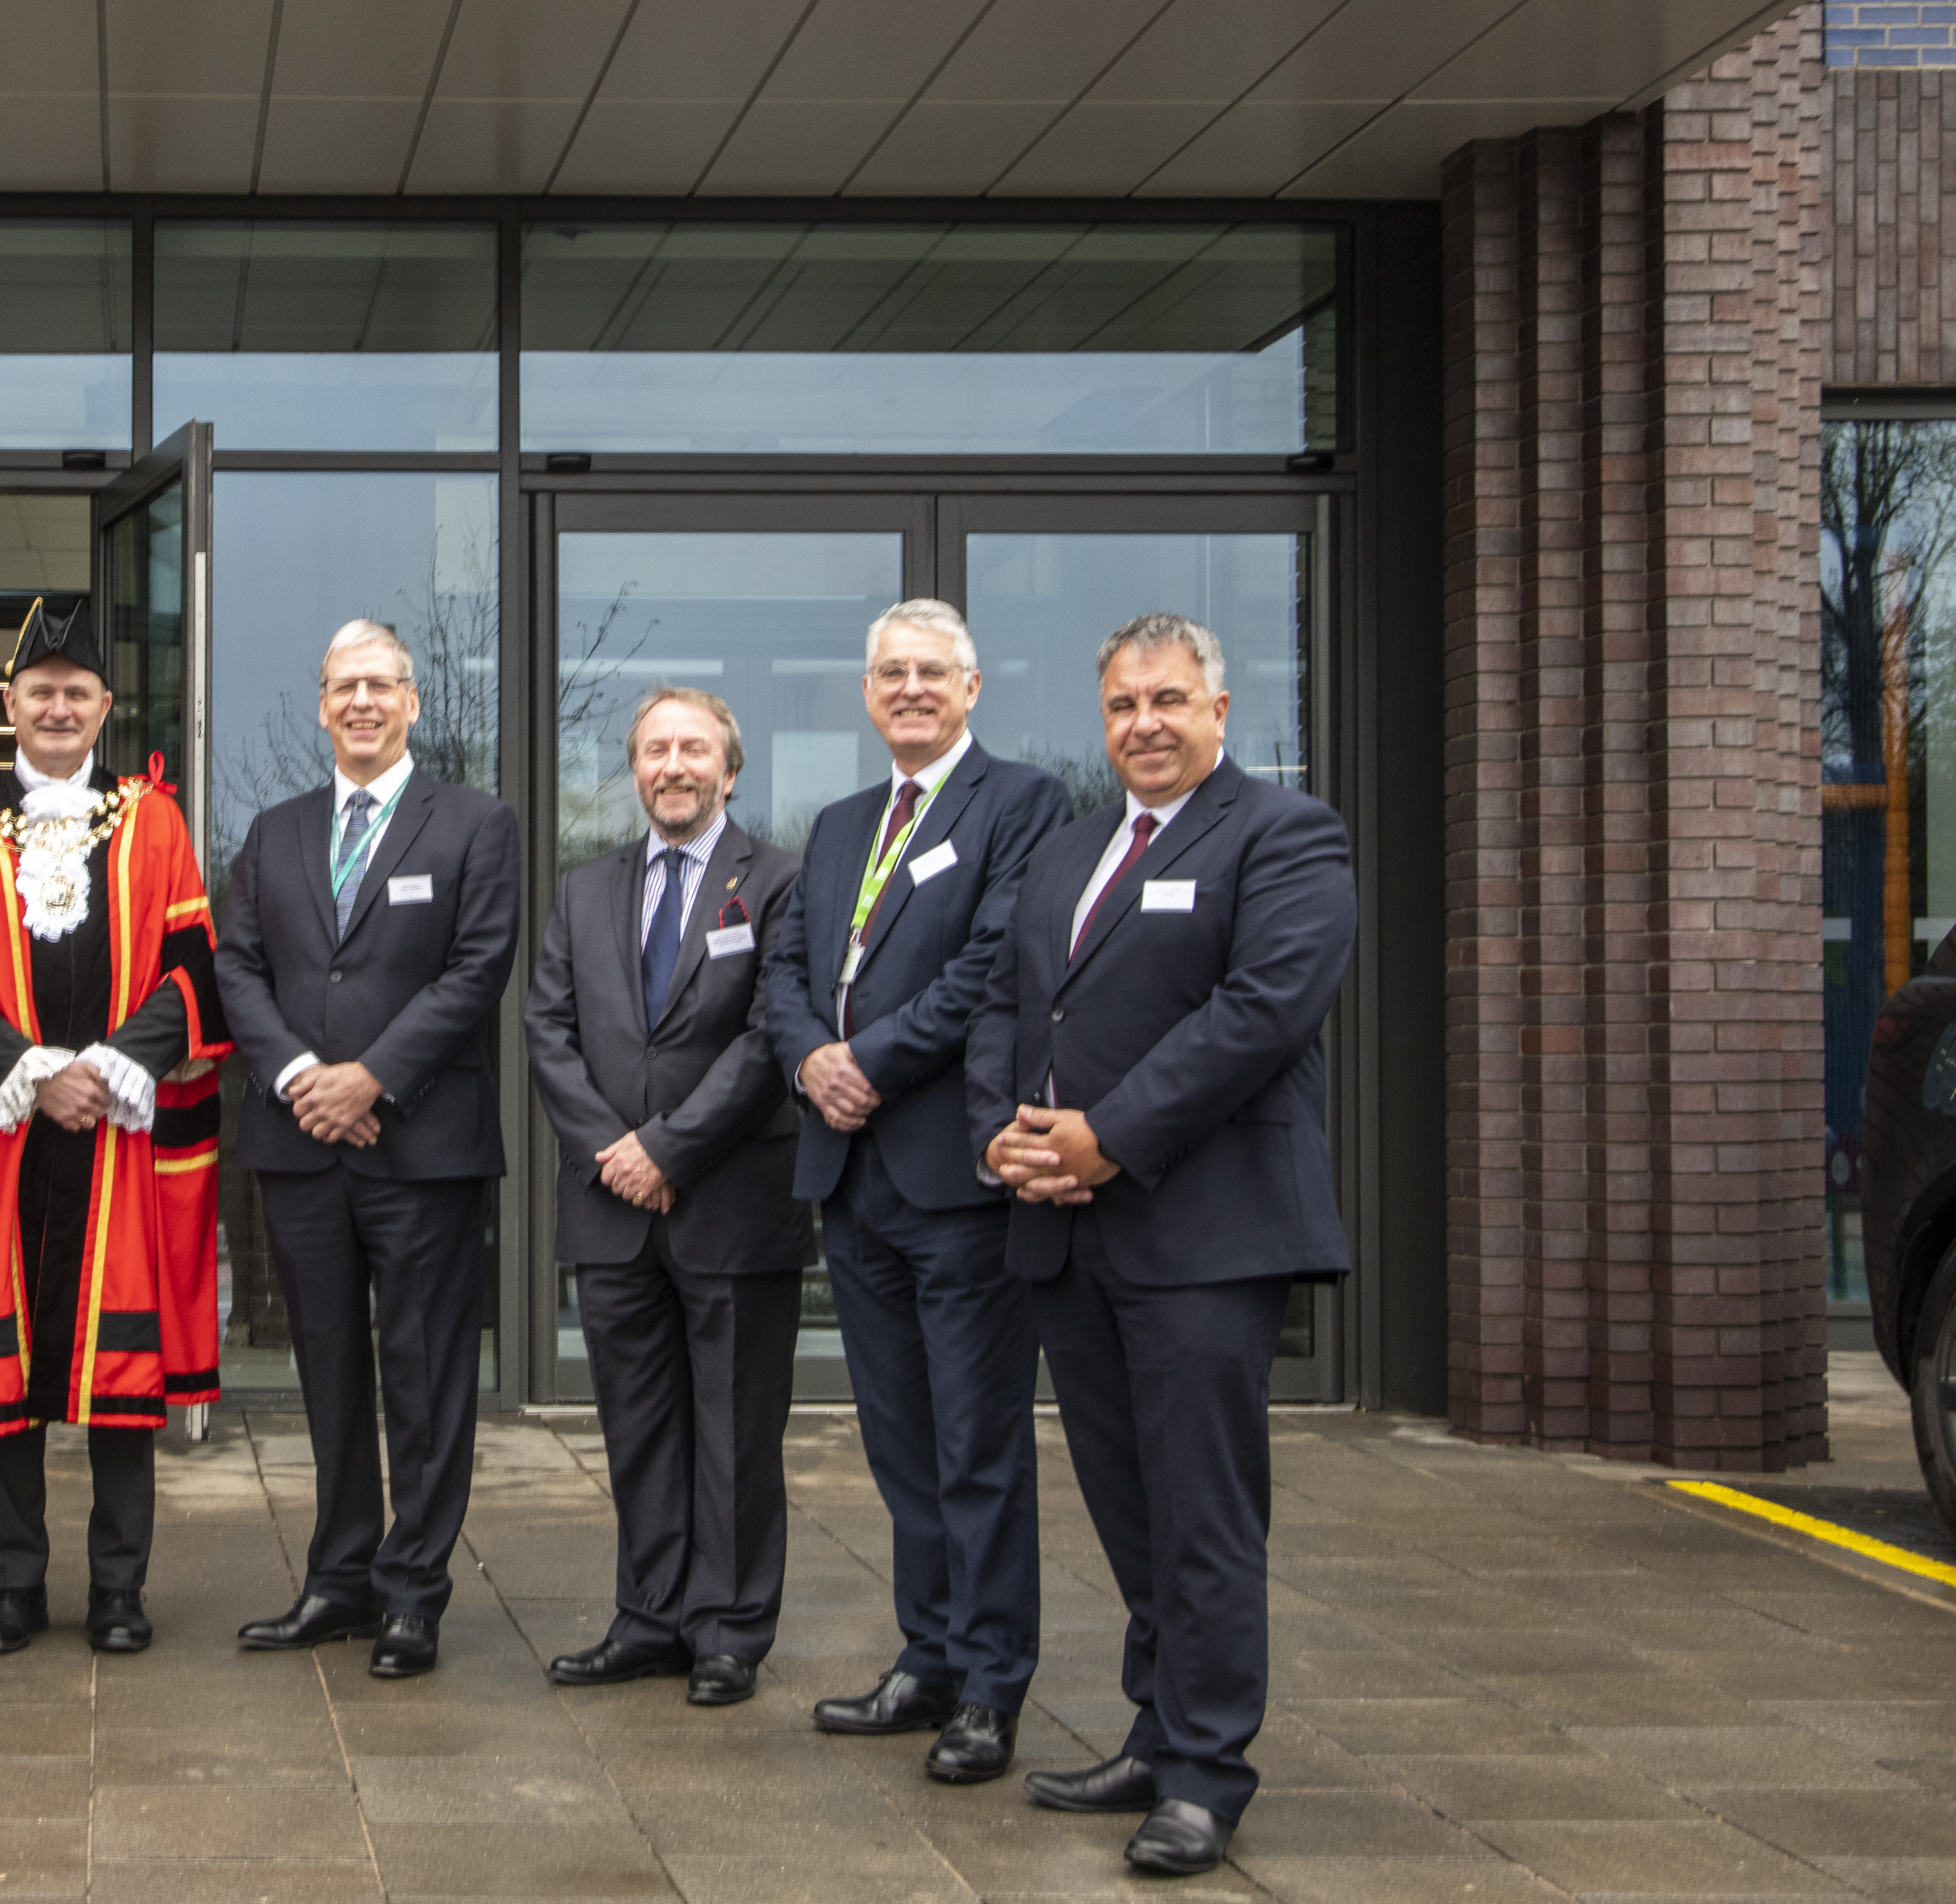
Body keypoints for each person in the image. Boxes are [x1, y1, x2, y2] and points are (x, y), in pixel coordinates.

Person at [972, 613, 1355, 1879]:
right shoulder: (1073, 849)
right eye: (1125, 704)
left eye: (1170, 701)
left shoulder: (1287, 837)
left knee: (1203, 1515)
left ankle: (1206, 1773)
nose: (1145, 722)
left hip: (1202, 1233)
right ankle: (1155, 1730)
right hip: (1069, 1238)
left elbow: (1259, 1015)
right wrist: (1003, 1140)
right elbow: (1013, 1008)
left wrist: (1107, 1139)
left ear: (1220, 713)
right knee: (1130, 1510)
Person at [757, 597, 1067, 1786]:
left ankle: (991, 1686)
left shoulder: (1023, 806)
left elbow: (996, 964)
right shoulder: (838, 824)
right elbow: (789, 972)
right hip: (855, 1179)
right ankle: (927, 1655)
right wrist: (808, 1059)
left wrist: (870, 1061)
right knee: (898, 1440)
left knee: (978, 1443)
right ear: (869, 690)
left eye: (932, 672)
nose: (910, 690)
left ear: (973, 688)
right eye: (891, 673)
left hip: (955, 1177)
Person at [0, 597, 230, 1656]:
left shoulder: (152, 816)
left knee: (121, 1377)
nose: (57, 707)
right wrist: (30, 1073)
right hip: (10, 1132)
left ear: (105, 707)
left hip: (119, 1131)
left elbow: (191, 965)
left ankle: (120, 1592)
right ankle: (14, 1588)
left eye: (76, 693)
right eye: (39, 692)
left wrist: (114, 1064)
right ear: (10, 703)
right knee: (11, 1374)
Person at [216, 618, 520, 1679]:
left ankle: (412, 1595)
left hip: (421, 1147)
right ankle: (338, 1580)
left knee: (426, 1379)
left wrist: (371, 1078)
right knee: (329, 1373)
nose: (361, 703)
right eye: (343, 686)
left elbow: (476, 972)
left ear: (413, 702)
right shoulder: (274, 832)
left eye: (380, 686)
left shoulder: (477, 825)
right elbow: (238, 969)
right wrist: (304, 1080)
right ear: (320, 703)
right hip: (301, 1147)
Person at [523, 686, 807, 1710]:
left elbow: (773, 1037)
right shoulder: (583, 889)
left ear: (730, 770)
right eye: (655, 750)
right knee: (637, 1424)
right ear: (634, 770)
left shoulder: (780, 883)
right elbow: (547, 1029)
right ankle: (648, 1616)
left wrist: (669, 1150)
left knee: (735, 1430)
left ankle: (728, 1626)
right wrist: (613, 1151)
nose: (673, 766)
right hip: (612, 1206)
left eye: (694, 749)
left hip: (731, 1198)